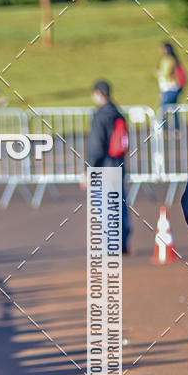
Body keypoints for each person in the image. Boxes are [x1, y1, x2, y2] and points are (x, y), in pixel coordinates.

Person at [86, 80, 131, 255]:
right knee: (119, 203)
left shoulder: (100, 116)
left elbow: (96, 148)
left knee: (105, 207)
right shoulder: (118, 113)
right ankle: (122, 242)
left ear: (98, 93)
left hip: (104, 167)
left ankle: (111, 245)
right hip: (118, 164)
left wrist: (89, 170)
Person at [157, 42, 186, 134]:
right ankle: (176, 129)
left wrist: (158, 73)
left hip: (170, 88)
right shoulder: (170, 60)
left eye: (162, 48)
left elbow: (166, 73)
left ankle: (164, 129)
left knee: (163, 108)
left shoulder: (169, 60)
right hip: (168, 88)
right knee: (173, 109)